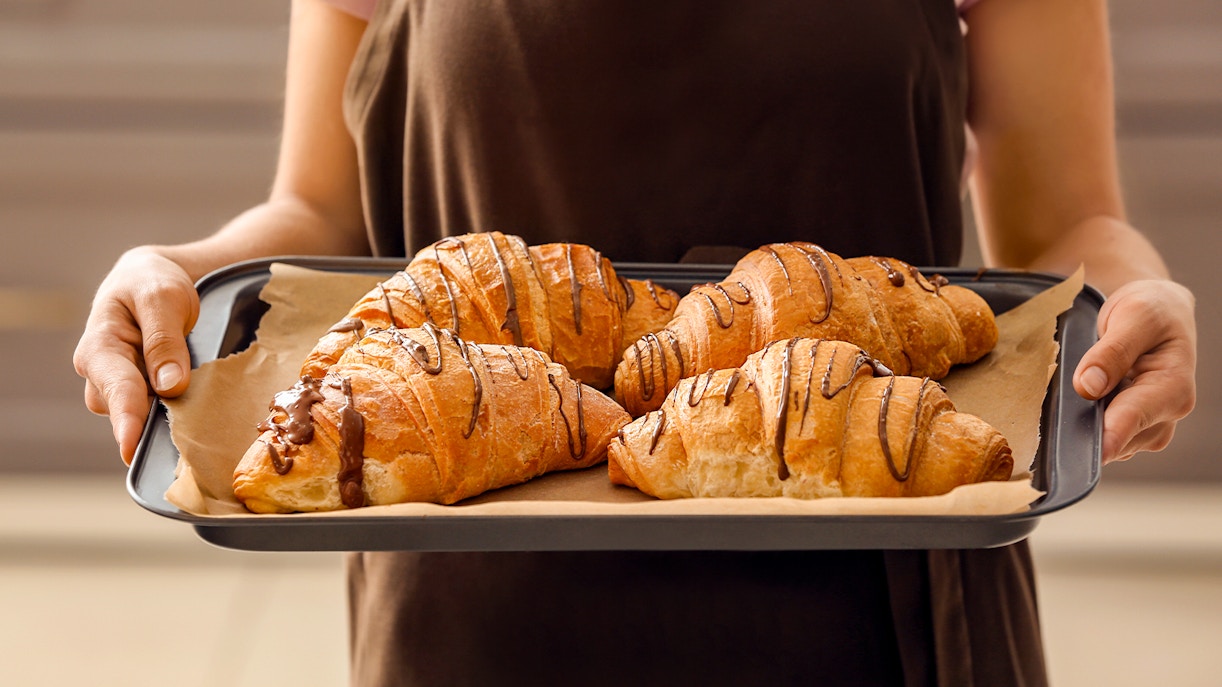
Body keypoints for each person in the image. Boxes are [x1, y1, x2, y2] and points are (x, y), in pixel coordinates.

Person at [75, 0, 1197, 684]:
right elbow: (318, 220)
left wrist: (1134, 290)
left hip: (880, 596)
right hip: (471, 609)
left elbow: (1061, 230)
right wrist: (181, 268)